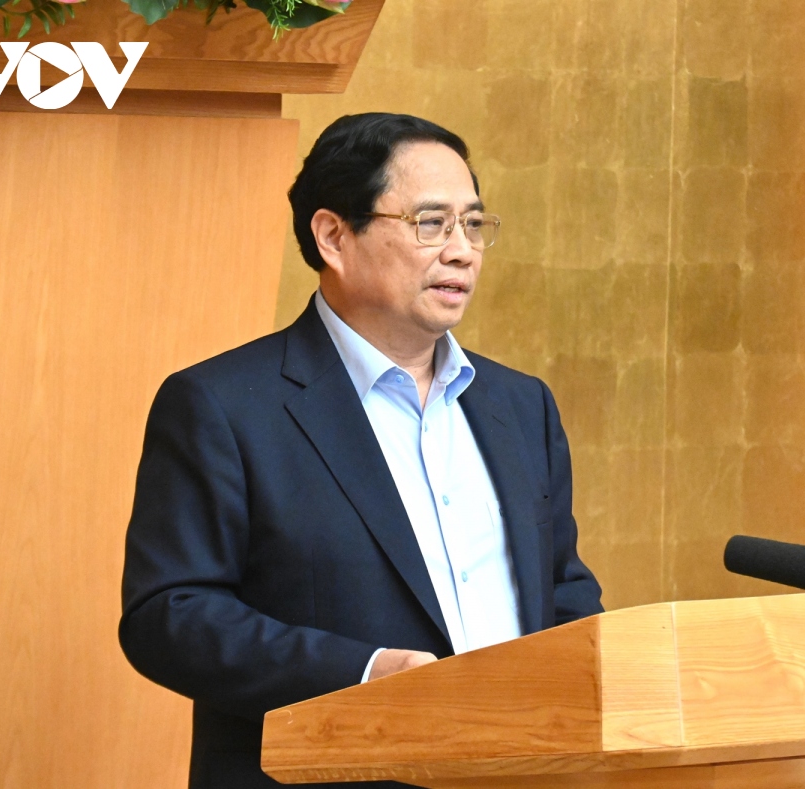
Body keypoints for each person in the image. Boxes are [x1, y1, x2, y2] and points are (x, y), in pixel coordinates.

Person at [118, 112, 603, 789]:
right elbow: (169, 616)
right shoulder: (223, 406)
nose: (462, 251)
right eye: (431, 223)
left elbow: (560, 589)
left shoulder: (521, 405)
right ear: (334, 237)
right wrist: (366, 674)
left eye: (473, 225)